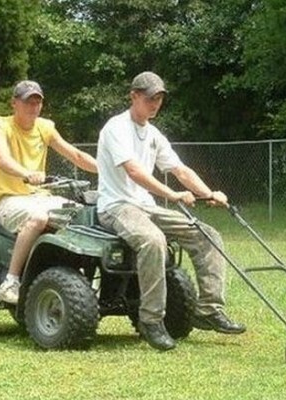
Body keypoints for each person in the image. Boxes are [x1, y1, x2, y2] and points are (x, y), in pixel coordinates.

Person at [96, 71, 246, 351]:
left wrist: (209, 193)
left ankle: (209, 309)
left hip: (146, 206)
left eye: (160, 98)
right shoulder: (116, 128)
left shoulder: (153, 134)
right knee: (153, 241)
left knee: (207, 234)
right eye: (150, 98)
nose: (155, 103)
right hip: (117, 206)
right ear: (134, 96)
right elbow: (134, 171)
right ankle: (151, 321)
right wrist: (172, 194)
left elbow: (179, 170)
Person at [0, 80, 97, 304]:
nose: (33, 107)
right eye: (28, 102)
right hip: (8, 199)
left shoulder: (45, 127)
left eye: (38, 102)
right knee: (38, 218)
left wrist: (107, 169)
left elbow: (75, 155)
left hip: (40, 198)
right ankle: (11, 281)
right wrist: (26, 173)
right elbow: (2, 159)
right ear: (14, 103)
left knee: (86, 214)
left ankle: (88, 279)